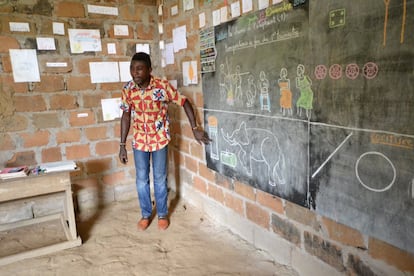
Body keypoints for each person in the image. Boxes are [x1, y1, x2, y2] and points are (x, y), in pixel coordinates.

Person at [119, 52, 211, 231]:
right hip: (139, 141)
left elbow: (184, 102)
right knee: (141, 180)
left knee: (160, 179)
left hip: (159, 140)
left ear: (149, 70)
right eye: (132, 68)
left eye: (139, 69)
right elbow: (125, 115)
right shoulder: (128, 89)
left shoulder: (161, 86)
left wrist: (194, 128)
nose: (135, 73)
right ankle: (146, 214)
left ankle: (162, 214)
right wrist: (122, 145)